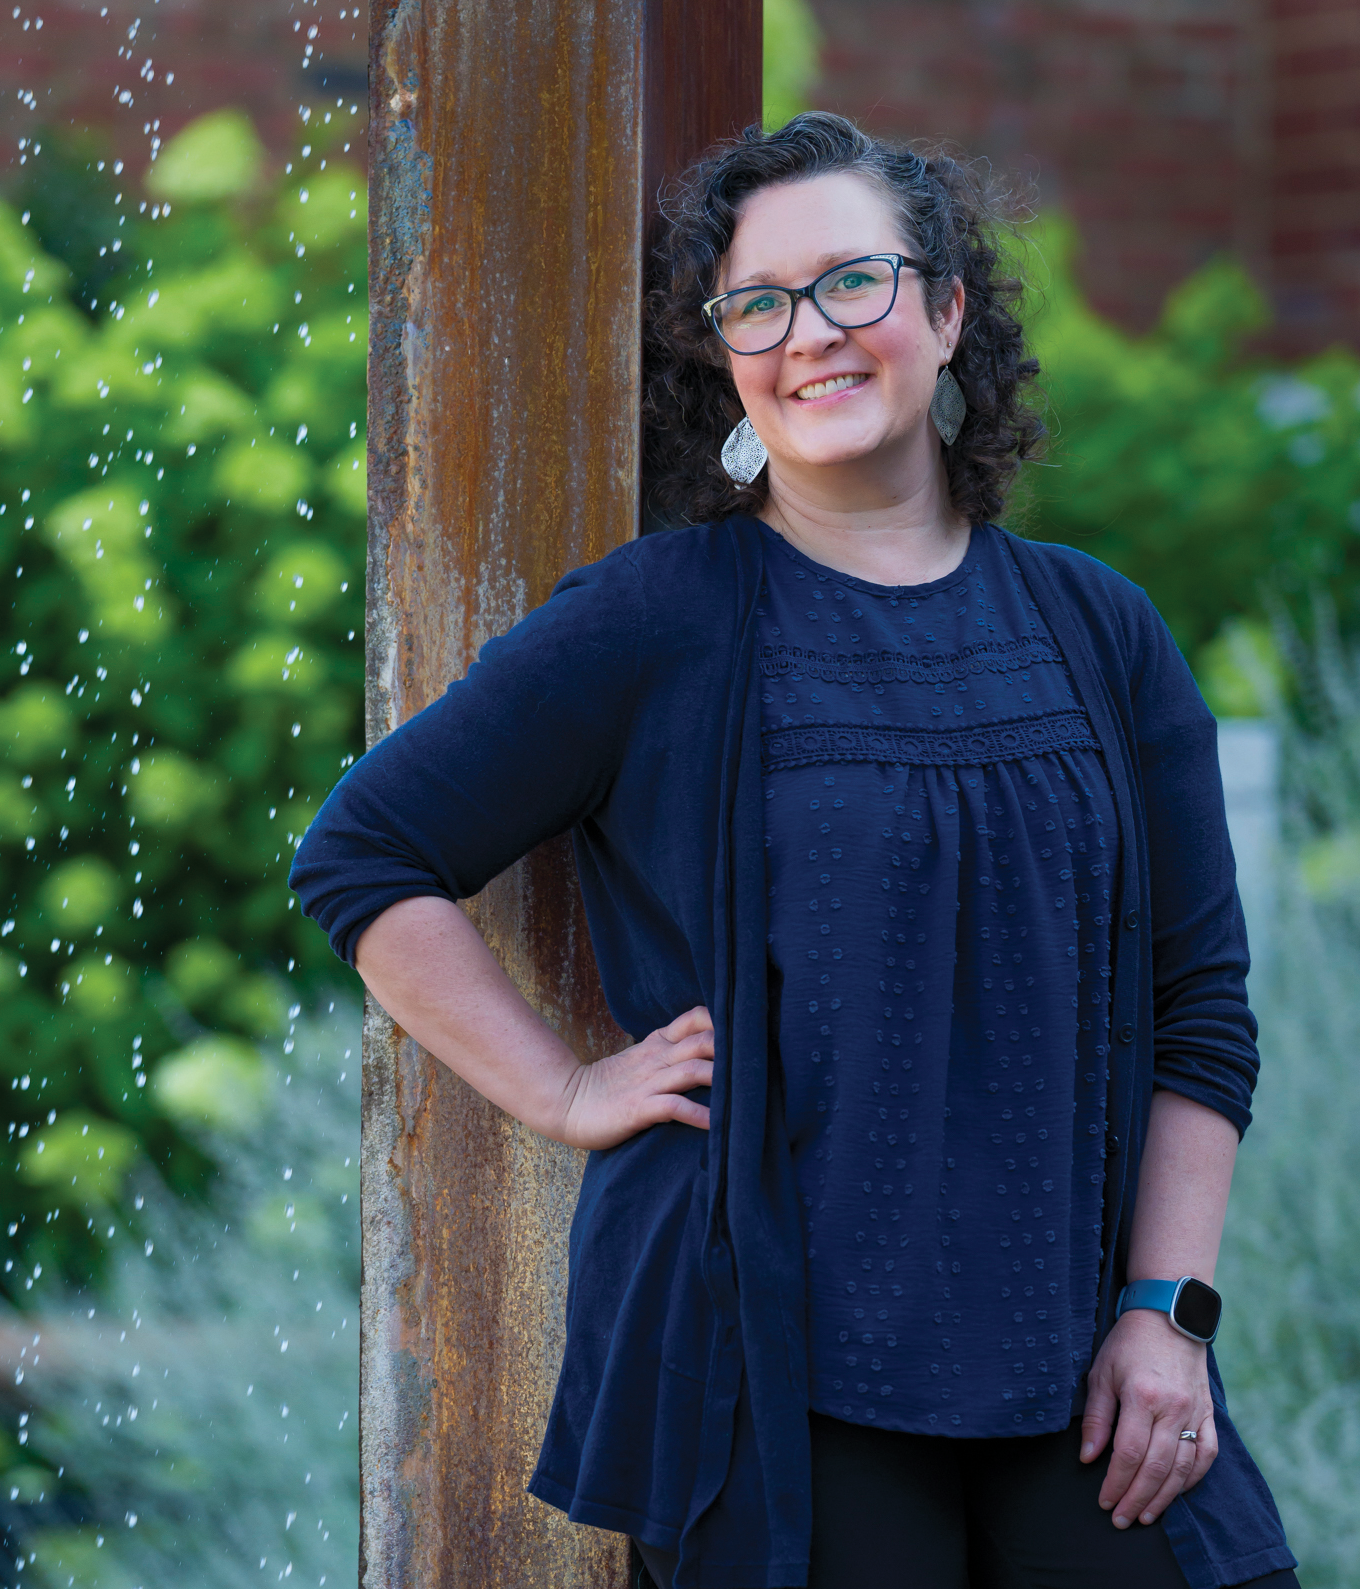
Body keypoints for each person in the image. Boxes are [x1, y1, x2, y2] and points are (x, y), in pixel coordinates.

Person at [290, 112, 1298, 1589]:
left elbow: (1197, 1013)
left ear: (948, 311)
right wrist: (565, 1088)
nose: (806, 333)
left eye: (851, 283)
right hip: (770, 1379)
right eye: (755, 304)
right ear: (724, 357)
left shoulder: (1099, 634)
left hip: (1078, 1360)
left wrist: (1168, 1310)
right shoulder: (656, 620)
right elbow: (363, 853)